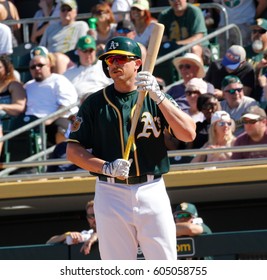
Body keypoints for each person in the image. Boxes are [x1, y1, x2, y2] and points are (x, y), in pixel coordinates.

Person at [66, 36, 196, 260]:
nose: (114, 64)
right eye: (109, 60)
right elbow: (73, 151)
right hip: (110, 191)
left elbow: (188, 133)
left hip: (151, 188)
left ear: (137, 63)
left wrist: (160, 97)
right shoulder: (94, 103)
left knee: (165, 264)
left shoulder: (155, 97)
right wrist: (106, 167)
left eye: (120, 58)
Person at [24, 51, 78, 145]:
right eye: (33, 67)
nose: (36, 68)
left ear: (48, 65)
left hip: (58, 118)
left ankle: (62, 157)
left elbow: (66, 105)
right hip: (33, 122)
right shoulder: (28, 86)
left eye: (40, 65)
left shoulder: (59, 80)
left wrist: (50, 119)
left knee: (60, 129)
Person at [64, 35, 113, 102]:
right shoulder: (68, 73)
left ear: (95, 51)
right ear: (78, 51)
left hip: (102, 102)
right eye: (85, 51)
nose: (88, 54)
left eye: (91, 50)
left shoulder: (105, 66)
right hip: (78, 106)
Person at [0, 54, 26, 156]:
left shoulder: (14, 85)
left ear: (7, 69)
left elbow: (20, 107)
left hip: (9, 122)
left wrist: (2, 106)